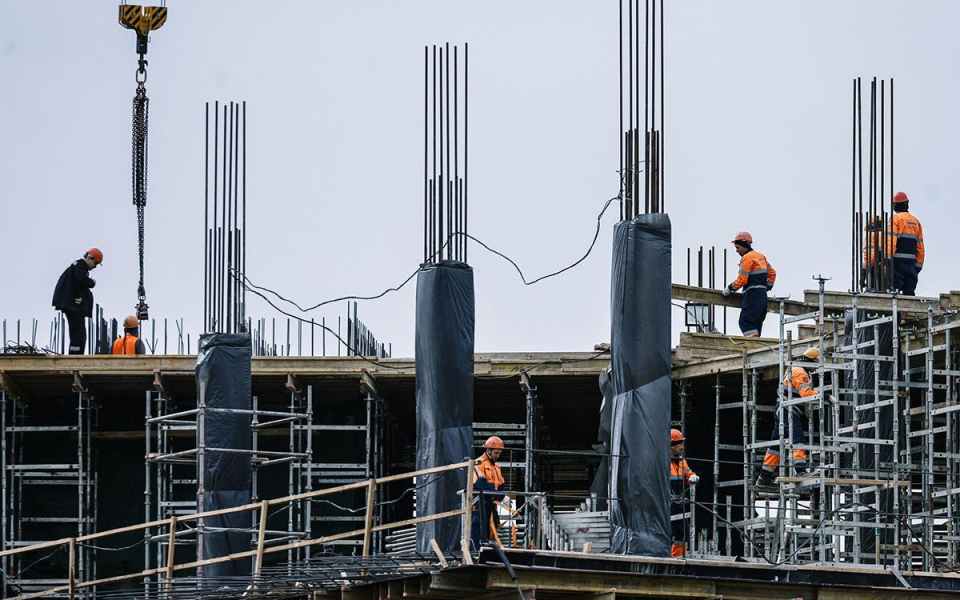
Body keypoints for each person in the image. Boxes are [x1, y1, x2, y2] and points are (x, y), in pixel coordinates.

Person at [756, 348, 820, 488]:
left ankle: (764, 477)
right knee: (797, 437)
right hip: (787, 409)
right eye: (817, 363)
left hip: (785, 408)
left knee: (776, 445)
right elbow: (806, 393)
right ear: (811, 361)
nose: (817, 368)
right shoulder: (799, 371)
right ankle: (801, 470)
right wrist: (826, 397)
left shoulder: (802, 370)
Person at [722, 232, 776, 337]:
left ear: (744, 245)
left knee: (745, 321)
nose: (736, 250)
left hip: (752, 295)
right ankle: (757, 346)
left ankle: (753, 345)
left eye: (737, 247)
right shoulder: (760, 257)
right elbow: (772, 273)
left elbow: (742, 279)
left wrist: (730, 288)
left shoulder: (747, 258)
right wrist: (767, 286)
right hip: (762, 296)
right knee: (756, 323)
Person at [52, 248, 102, 355]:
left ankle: (76, 355)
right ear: (89, 258)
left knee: (78, 333)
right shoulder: (80, 266)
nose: (95, 266)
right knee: (78, 333)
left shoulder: (77, 267)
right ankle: (75, 357)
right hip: (73, 305)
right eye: (95, 263)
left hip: (72, 304)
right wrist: (92, 282)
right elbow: (82, 279)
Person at [471, 436, 508, 549]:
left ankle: (485, 553)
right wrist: (497, 496)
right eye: (496, 453)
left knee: (489, 529)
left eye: (499, 453)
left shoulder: (497, 467)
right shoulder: (478, 464)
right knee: (478, 527)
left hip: (491, 505)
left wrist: (498, 497)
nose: (498, 455)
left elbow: (502, 487)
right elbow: (481, 485)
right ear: (488, 450)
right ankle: (476, 553)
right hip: (479, 503)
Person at [669, 429, 699, 557]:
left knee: (683, 533)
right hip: (665, 505)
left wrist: (693, 477)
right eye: (679, 444)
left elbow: (688, 474)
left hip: (677, 504)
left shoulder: (682, 461)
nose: (682, 447)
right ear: (671, 446)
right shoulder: (661, 461)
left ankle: (676, 559)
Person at [890, 192, 924, 296]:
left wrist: (887, 259)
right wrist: (918, 266)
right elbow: (920, 247)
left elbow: (891, 242)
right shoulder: (915, 221)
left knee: (895, 293)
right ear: (907, 203)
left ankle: (897, 312)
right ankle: (907, 312)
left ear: (894, 205)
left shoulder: (895, 219)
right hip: (911, 264)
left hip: (897, 263)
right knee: (909, 294)